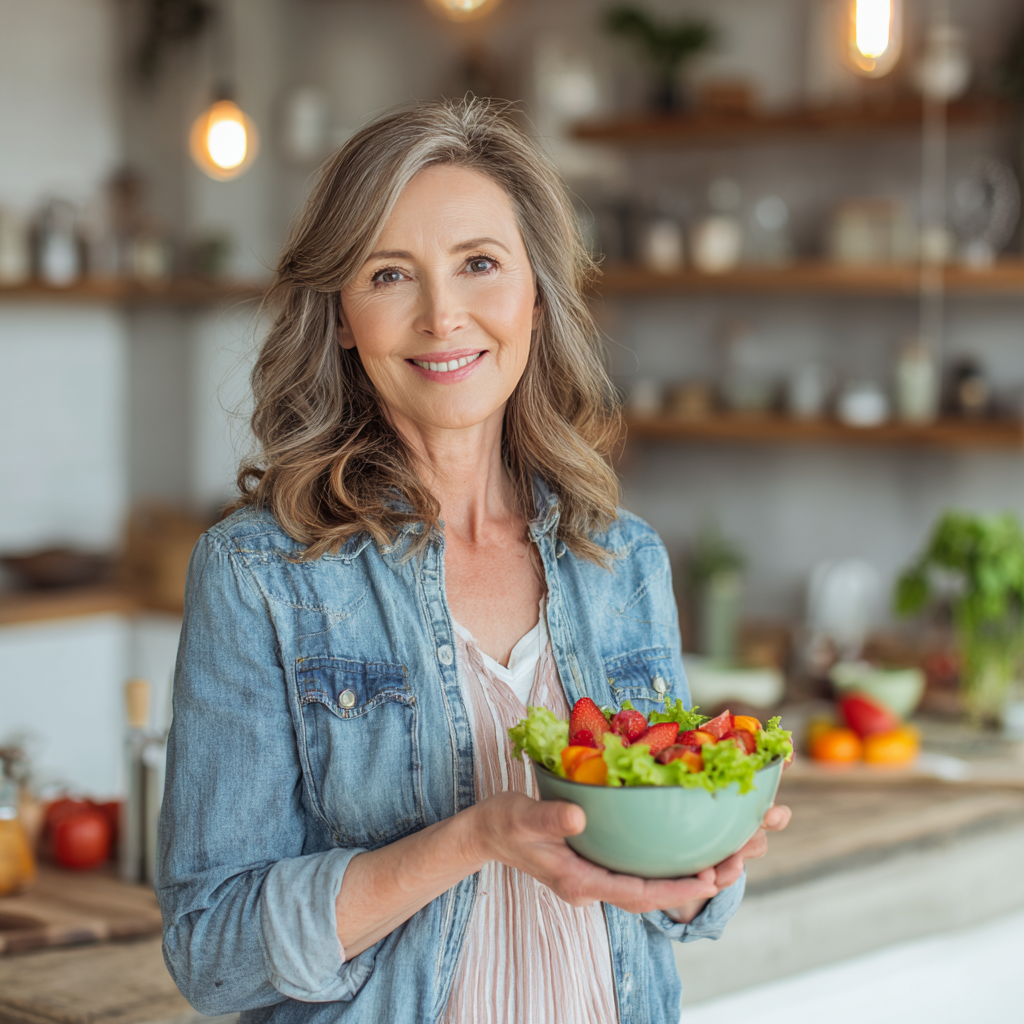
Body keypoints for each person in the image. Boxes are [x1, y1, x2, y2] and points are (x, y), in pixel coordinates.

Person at [157, 98, 791, 1024]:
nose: (442, 316)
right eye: (388, 275)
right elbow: (213, 952)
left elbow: (666, 895)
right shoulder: (260, 575)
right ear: (340, 315)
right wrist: (477, 837)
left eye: (480, 265)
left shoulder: (622, 559)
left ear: (535, 290)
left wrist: (704, 862)